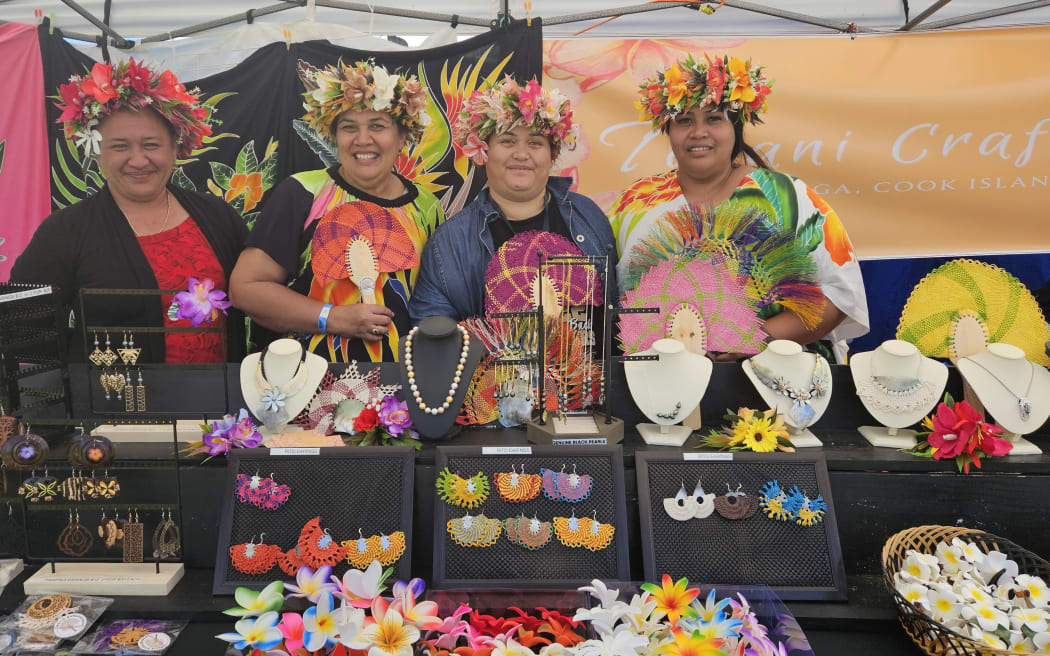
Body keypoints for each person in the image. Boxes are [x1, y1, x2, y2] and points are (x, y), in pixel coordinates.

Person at [610, 54, 868, 360]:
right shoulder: (634, 203)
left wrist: (754, 340)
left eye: (714, 118)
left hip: (773, 385)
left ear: (736, 127)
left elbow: (840, 293)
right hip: (656, 385)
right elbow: (606, 302)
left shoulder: (785, 195)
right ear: (668, 130)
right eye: (684, 120)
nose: (698, 132)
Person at [11, 59, 246, 363]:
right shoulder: (65, 232)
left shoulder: (217, 216)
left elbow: (257, 293)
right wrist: (90, 362)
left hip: (220, 405)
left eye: (151, 145)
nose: (138, 160)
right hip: (122, 405)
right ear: (97, 152)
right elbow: (19, 324)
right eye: (120, 147)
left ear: (176, 149)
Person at [230, 59, 442, 362]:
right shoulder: (303, 193)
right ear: (334, 136)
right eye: (349, 127)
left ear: (403, 136)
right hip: (309, 389)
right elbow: (247, 288)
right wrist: (333, 317)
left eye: (378, 126)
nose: (362, 139)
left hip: (403, 394)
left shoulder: (426, 206)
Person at [409, 77, 617, 323]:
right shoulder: (450, 243)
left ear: (553, 153)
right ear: (484, 151)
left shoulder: (588, 216)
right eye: (507, 141)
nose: (521, 154)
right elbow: (432, 332)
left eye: (535, 143)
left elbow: (616, 315)